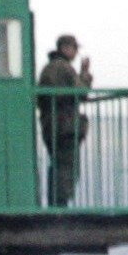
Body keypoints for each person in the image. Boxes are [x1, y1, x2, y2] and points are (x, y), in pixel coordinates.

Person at [37, 34, 92, 206]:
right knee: (68, 168)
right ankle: (60, 206)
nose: (75, 53)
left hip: (51, 125)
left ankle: (56, 204)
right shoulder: (64, 68)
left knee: (58, 165)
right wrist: (85, 73)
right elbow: (82, 93)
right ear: (67, 48)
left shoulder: (49, 68)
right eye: (74, 49)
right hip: (65, 126)